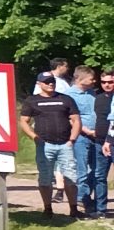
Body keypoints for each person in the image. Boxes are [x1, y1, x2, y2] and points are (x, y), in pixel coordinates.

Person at [32, 69, 84, 220]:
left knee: (71, 177)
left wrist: (72, 139)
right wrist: (34, 137)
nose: (50, 84)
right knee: (45, 177)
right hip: (44, 145)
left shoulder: (66, 99)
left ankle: (73, 209)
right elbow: (23, 121)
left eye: (52, 82)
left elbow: (76, 120)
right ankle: (47, 208)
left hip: (65, 144)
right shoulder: (32, 101)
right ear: (39, 84)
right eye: (47, 82)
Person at [75, 67, 110, 219]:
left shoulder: (96, 95)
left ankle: (94, 203)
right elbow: (73, 117)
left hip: (107, 139)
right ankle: (93, 205)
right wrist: (89, 132)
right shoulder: (95, 97)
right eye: (103, 82)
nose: (106, 84)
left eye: (110, 82)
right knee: (92, 174)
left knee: (97, 173)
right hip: (91, 139)